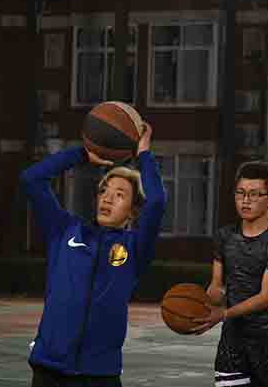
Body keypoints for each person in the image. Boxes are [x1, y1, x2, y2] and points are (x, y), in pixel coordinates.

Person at [20, 122, 166, 387]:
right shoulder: (63, 230)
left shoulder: (135, 247)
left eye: (119, 195)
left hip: (99, 373)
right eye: (104, 191)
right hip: (49, 367)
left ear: (133, 211)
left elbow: (156, 202)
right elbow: (32, 179)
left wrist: (144, 154)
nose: (108, 198)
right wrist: (82, 154)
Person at [191, 160, 268, 387]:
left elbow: (266, 297)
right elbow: (217, 285)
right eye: (240, 193)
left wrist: (223, 314)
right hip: (232, 345)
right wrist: (203, 303)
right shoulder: (224, 236)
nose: (245, 200)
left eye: (254, 194)